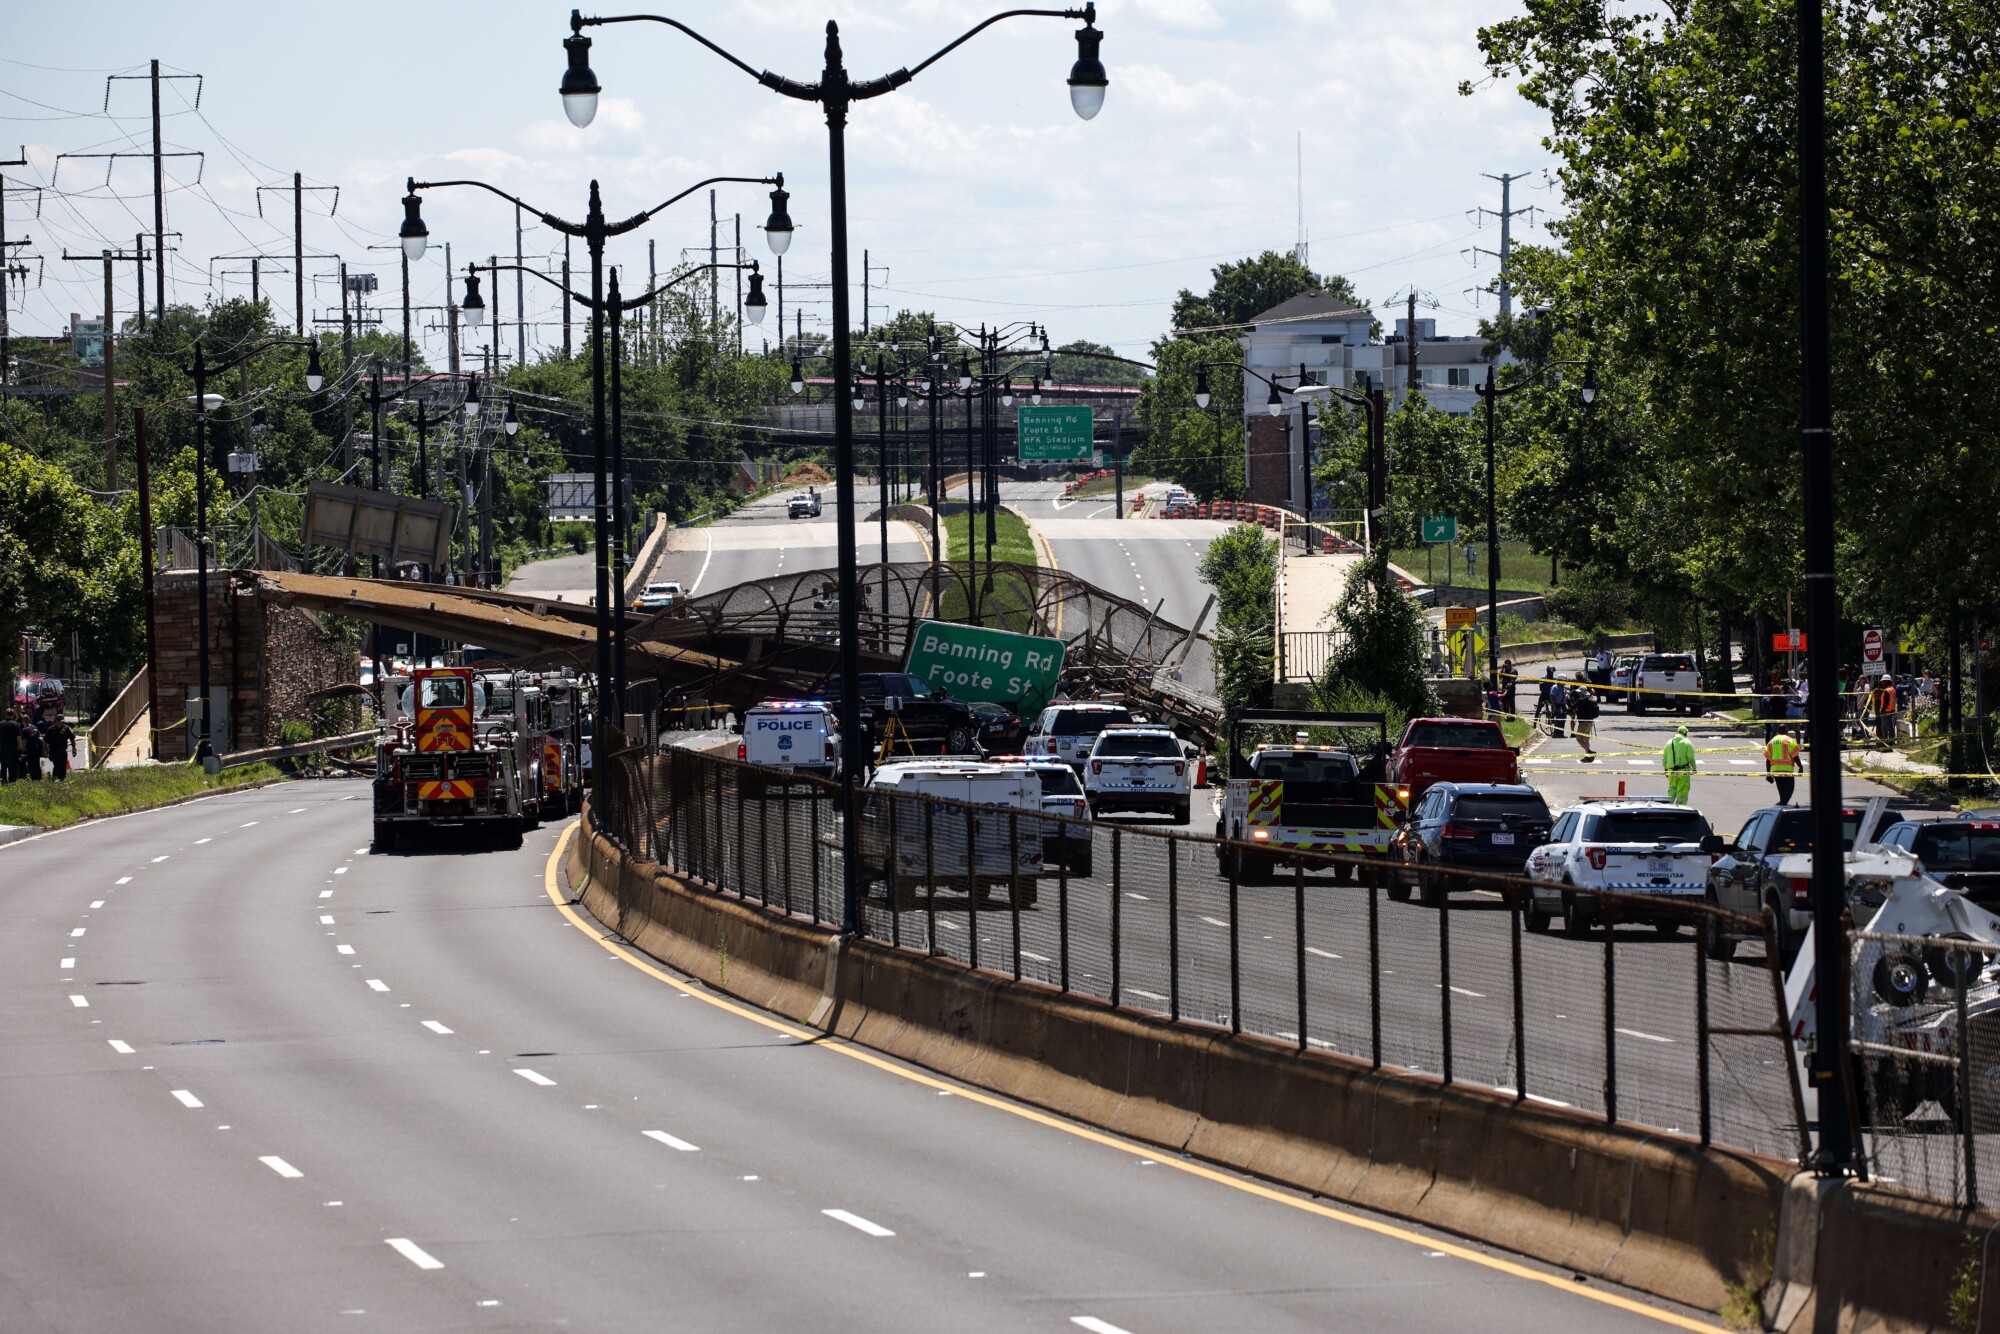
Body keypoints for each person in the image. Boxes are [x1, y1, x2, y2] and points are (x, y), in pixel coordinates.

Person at [1766, 726, 1803, 805]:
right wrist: (1800, 766)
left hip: (1776, 770)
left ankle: (1781, 805)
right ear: (1786, 730)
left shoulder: (1772, 741)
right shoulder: (1789, 740)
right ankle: (1781, 804)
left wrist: (1768, 773)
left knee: (1782, 791)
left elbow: (1768, 759)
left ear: (1778, 731)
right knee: (1789, 789)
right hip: (1787, 770)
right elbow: (1795, 756)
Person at [1663, 723, 1697, 805]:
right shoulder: (1687, 742)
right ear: (1685, 733)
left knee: (1672, 789)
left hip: (1671, 771)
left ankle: (1668, 807)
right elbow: (1691, 758)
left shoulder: (1669, 742)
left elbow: (1664, 758)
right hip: (1683, 771)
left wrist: (1666, 769)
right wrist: (1694, 768)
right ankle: (1681, 808)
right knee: (1683, 790)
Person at [42, 715, 75, 782]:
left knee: (63, 767)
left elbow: (72, 739)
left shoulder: (66, 729)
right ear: (56, 721)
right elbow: (45, 741)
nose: (61, 723)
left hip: (63, 751)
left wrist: (74, 748)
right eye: (60, 722)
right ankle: (54, 779)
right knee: (57, 765)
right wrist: (44, 750)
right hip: (54, 751)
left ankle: (61, 780)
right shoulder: (51, 729)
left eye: (62, 722)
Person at [1572, 686, 1600, 761]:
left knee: (1579, 739)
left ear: (1581, 693)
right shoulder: (1591, 700)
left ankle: (1589, 752)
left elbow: (1571, 707)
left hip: (1583, 723)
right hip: (1590, 722)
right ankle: (1588, 756)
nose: (1578, 693)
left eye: (1579, 692)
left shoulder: (1580, 700)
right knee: (1586, 740)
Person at [0, 707, 19, 784]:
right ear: (13, 714)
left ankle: (3, 780)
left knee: (3, 765)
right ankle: (12, 781)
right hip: (12, 747)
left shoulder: (1, 724)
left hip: (2, 747)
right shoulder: (15, 724)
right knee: (12, 765)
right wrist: (21, 748)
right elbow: (19, 737)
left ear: (6, 714)